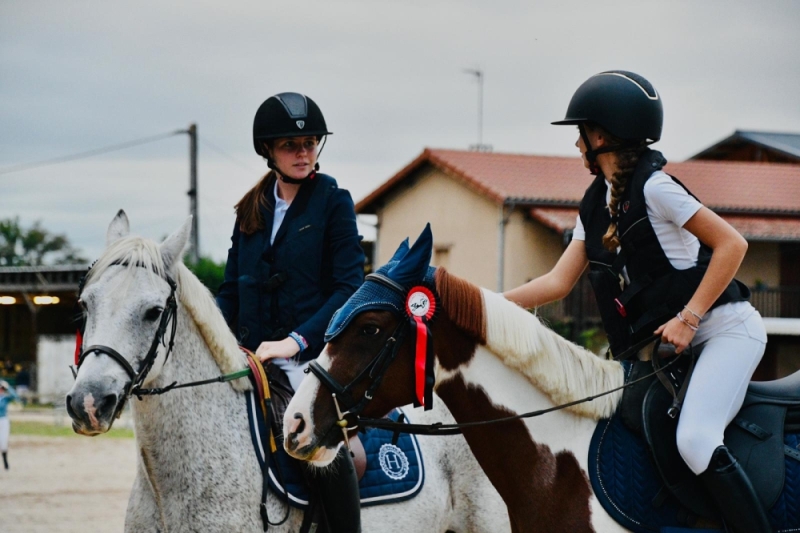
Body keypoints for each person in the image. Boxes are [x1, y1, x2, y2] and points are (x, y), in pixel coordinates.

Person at [504, 71, 770, 533]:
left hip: (725, 331)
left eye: (580, 135)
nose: (577, 146)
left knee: (694, 440)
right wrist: (483, 301)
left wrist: (689, 318)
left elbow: (732, 246)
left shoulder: (656, 187)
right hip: (674, 351)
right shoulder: (595, 204)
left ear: (600, 136)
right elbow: (557, 282)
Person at [216, 92, 365, 533]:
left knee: (322, 444)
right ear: (269, 152)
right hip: (250, 357)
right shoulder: (250, 209)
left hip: (309, 359)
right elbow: (230, 291)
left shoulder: (333, 201)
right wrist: (218, 338)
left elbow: (348, 287)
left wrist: (295, 341)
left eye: (310, 143)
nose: (303, 153)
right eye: (289, 145)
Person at [0, 380, 20, 470]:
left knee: (3, 442)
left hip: (3, 420)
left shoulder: (5, 398)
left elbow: (15, 396)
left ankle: (5, 461)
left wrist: (8, 387)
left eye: (2, 389)